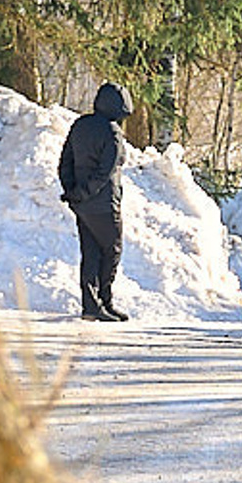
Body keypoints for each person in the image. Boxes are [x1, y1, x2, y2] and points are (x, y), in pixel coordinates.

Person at [57, 80, 133, 321]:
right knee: (112, 250)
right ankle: (103, 301)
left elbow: (65, 162)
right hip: (103, 204)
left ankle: (93, 305)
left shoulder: (80, 125)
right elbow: (106, 172)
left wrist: (72, 191)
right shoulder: (112, 132)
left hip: (82, 204)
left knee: (90, 253)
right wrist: (84, 193)